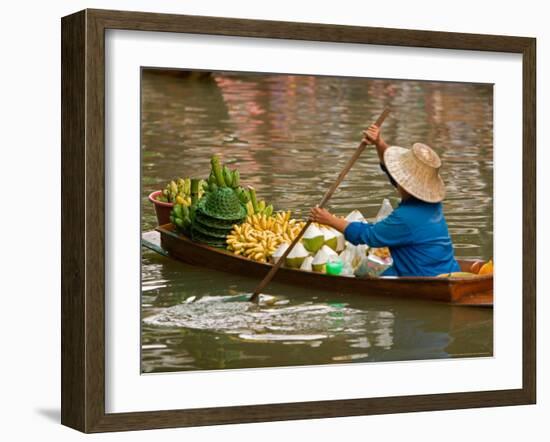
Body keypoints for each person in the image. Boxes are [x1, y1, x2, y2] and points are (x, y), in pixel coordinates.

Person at [309, 124, 460, 277]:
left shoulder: (405, 217)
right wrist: (379, 143)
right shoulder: (433, 205)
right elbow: (393, 173)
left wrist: (329, 220)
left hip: (421, 275)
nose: (396, 179)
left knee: (363, 274)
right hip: (449, 269)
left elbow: (368, 236)